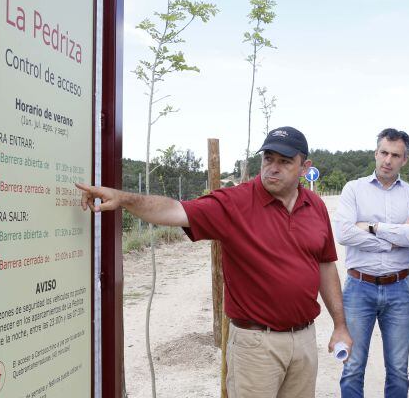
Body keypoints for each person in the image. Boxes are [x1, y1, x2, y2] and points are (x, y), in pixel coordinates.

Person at [77, 126, 352, 398]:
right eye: (268, 159)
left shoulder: (315, 206)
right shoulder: (235, 203)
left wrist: (340, 325)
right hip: (256, 344)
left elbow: (325, 265)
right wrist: (123, 198)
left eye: (284, 161)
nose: (273, 168)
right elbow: (174, 210)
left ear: (305, 167)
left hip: (304, 339)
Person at [334, 128, 409, 398]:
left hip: (399, 288)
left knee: (398, 369)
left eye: (395, 155)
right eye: (384, 153)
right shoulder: (353, 189)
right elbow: (344, 233)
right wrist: (395, 237)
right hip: (358, 287)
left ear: (405, 160)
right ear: (376, 153)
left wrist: (373, 227)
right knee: (352, 366)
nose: (388, 160)